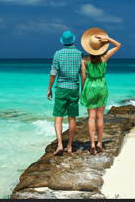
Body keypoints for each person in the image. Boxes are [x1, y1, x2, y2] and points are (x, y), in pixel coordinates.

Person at [80, 27, 121, 155]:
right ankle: (99, 143)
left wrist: (83, 90)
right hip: (101, 86)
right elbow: (118, 45)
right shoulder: (104, 58)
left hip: (90, 86)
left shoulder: (84, 60)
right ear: (101, 47)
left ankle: (92, 144)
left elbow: (83, 77)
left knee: (91, 117)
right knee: (100, 116)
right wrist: (107, 39)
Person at [47, 30, 83, 155]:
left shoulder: (57, 54)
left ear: (63, 41)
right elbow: (82, 73)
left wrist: (49, 88)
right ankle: (69, 146)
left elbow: (53, 73)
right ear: (73, 40)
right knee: (72, 118)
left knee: (58, 117)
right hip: (74, 88)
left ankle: (60, 144)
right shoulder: (79, 54)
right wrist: (83, 89)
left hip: (61, 88)